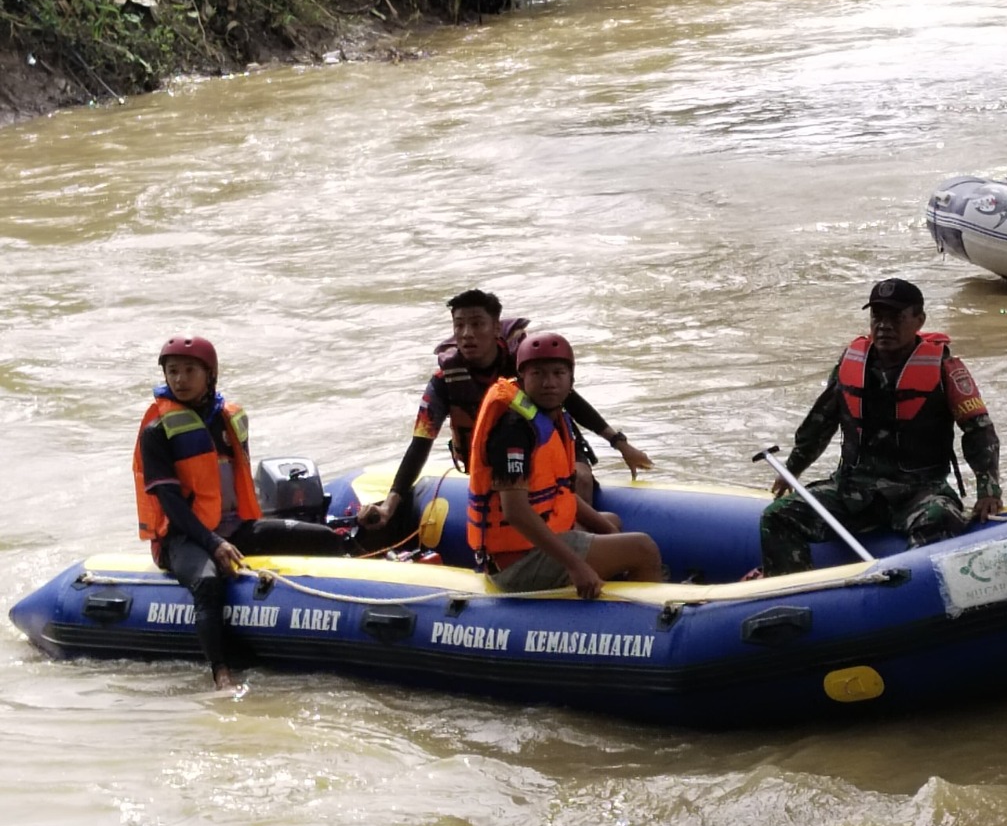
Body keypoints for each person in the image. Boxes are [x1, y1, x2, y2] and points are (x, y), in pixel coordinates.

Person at [134, 335, 349, 690]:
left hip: (233, 528)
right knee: (206, 583)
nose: (180, 379)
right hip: (183, 537)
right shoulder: (157, 431)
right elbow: (170, 502)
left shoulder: (228, 419)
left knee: (324, 538)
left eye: (190, 371)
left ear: (210, 375)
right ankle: (221, 674)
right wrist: (213, 543)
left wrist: (234, 534)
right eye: (173, 372)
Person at [758, 278, 1003, 576]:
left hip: (918, 492)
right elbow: (820, 421)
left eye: (896, 317)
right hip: (853, 491)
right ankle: (798, 598)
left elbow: (979, 430)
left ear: (919, 320)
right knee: (778, 516)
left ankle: (911, 596)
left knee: (939, 517)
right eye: (878, 317)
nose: (884, 326)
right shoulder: (852, 362)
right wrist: (794, 468)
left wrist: (988, 489)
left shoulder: (945, 368)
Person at [359, 289, 651, 534]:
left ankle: (578, 541)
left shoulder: (524, 363)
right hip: (498, 462)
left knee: (581, 478)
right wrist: (390, 504)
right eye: (459, 326)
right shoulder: (443, 382)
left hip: (552, 450)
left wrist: (620, 443)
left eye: (477, 324)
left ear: (496, 327)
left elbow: (569, 398)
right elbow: (420, 443)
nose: (467, 334)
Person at [467, 333, 661, 598]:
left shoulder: (549, 418)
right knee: (643, 548)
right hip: (516, 563)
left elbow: (560, 493)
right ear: (522, 378)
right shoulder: (513, 431)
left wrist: (608, 531)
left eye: (558, 373)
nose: (549, 383)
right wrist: (575, 565)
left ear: (571, 380)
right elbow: (515, 512)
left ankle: (618, 585)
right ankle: (644, 623)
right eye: (538, 374)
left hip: (535, 544)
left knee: (609, 521)